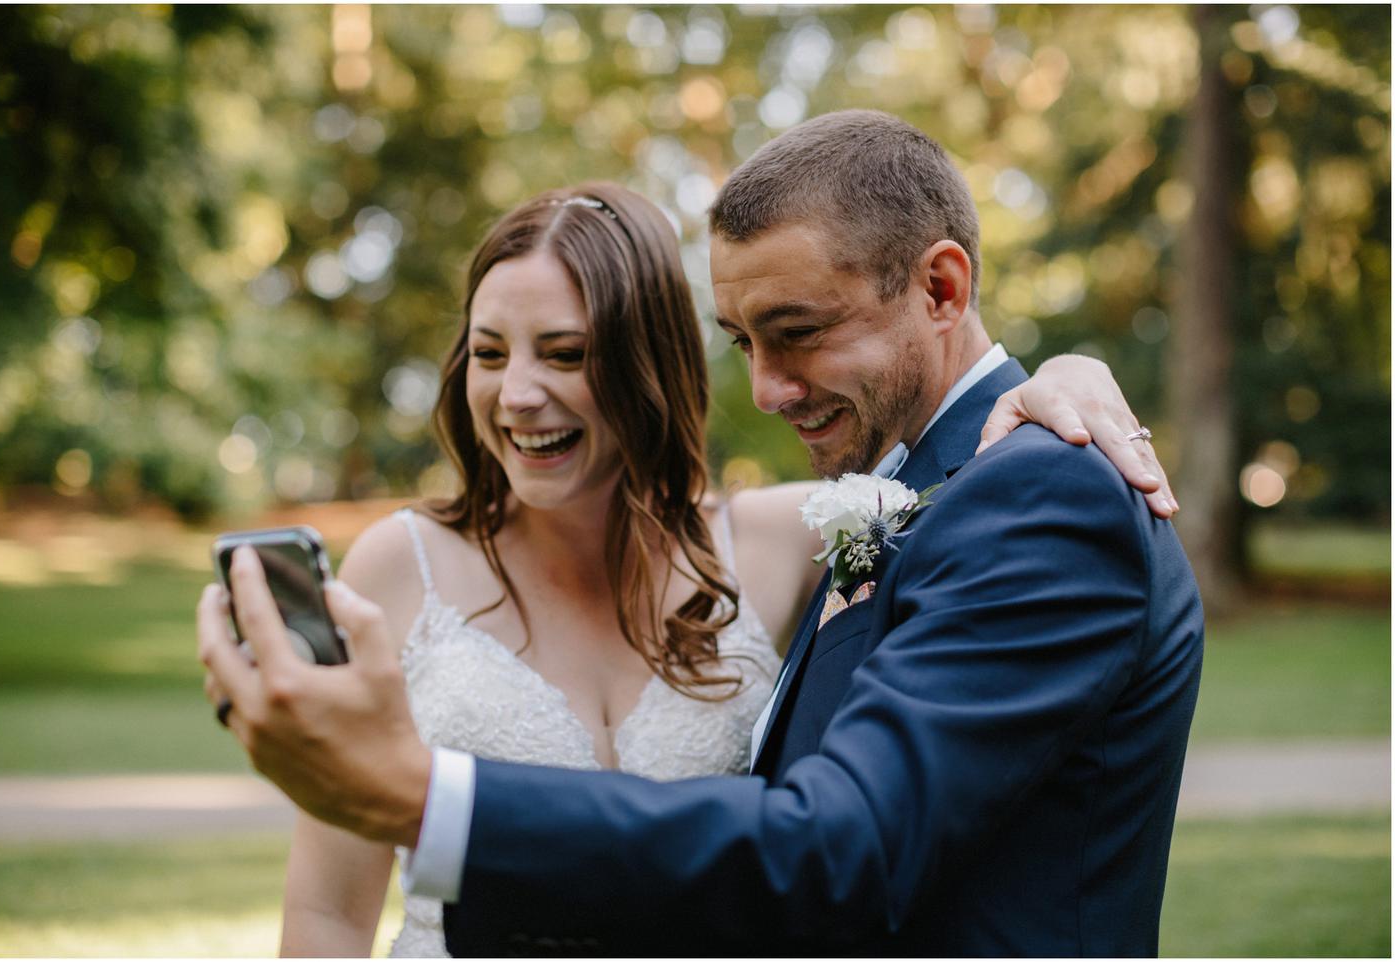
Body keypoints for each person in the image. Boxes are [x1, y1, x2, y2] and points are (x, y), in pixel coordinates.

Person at [201, 111, 1200, 956]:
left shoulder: (1027, 494)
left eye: (797, 332)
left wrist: (430, 800)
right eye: (744, 343)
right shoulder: (900, 491)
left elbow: (840, 848)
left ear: (941, 288)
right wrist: (1057, 374)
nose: (765, 389)